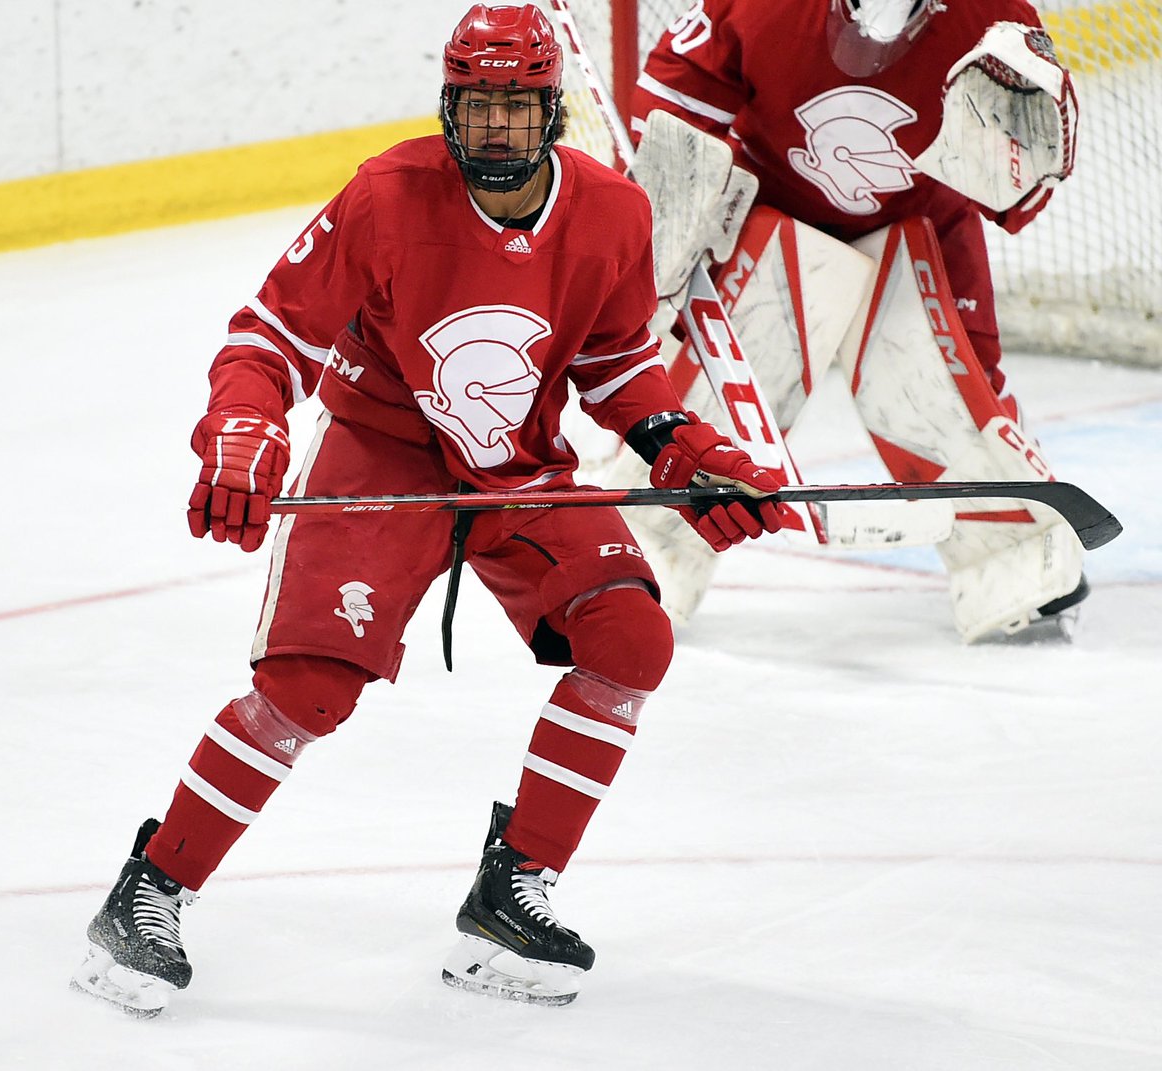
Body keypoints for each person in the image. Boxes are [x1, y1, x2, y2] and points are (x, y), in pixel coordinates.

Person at [70, 2, 783, 1016]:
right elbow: (266, 338)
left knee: (630, 638)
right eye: (477, 104)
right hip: (381, 451)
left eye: (517, 107)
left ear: (553, 113)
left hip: (519, 467)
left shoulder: (615, 213)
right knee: (307, 689)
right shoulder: (387, 195)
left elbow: (617, 364)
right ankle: (150, 889)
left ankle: (509, 894)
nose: (496, 127)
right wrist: (242, 427)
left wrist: (684, 444)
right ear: (450, 106)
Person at [624, 0, 1088, 642]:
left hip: (920, 222)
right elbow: (680, 92)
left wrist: (1030, 154)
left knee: (949, 389)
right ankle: (649, 543)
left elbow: (1016, 197)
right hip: (771, 206)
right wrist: (669, 210)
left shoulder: (990, 17)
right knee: (731, 374)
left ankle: (1011, 558)